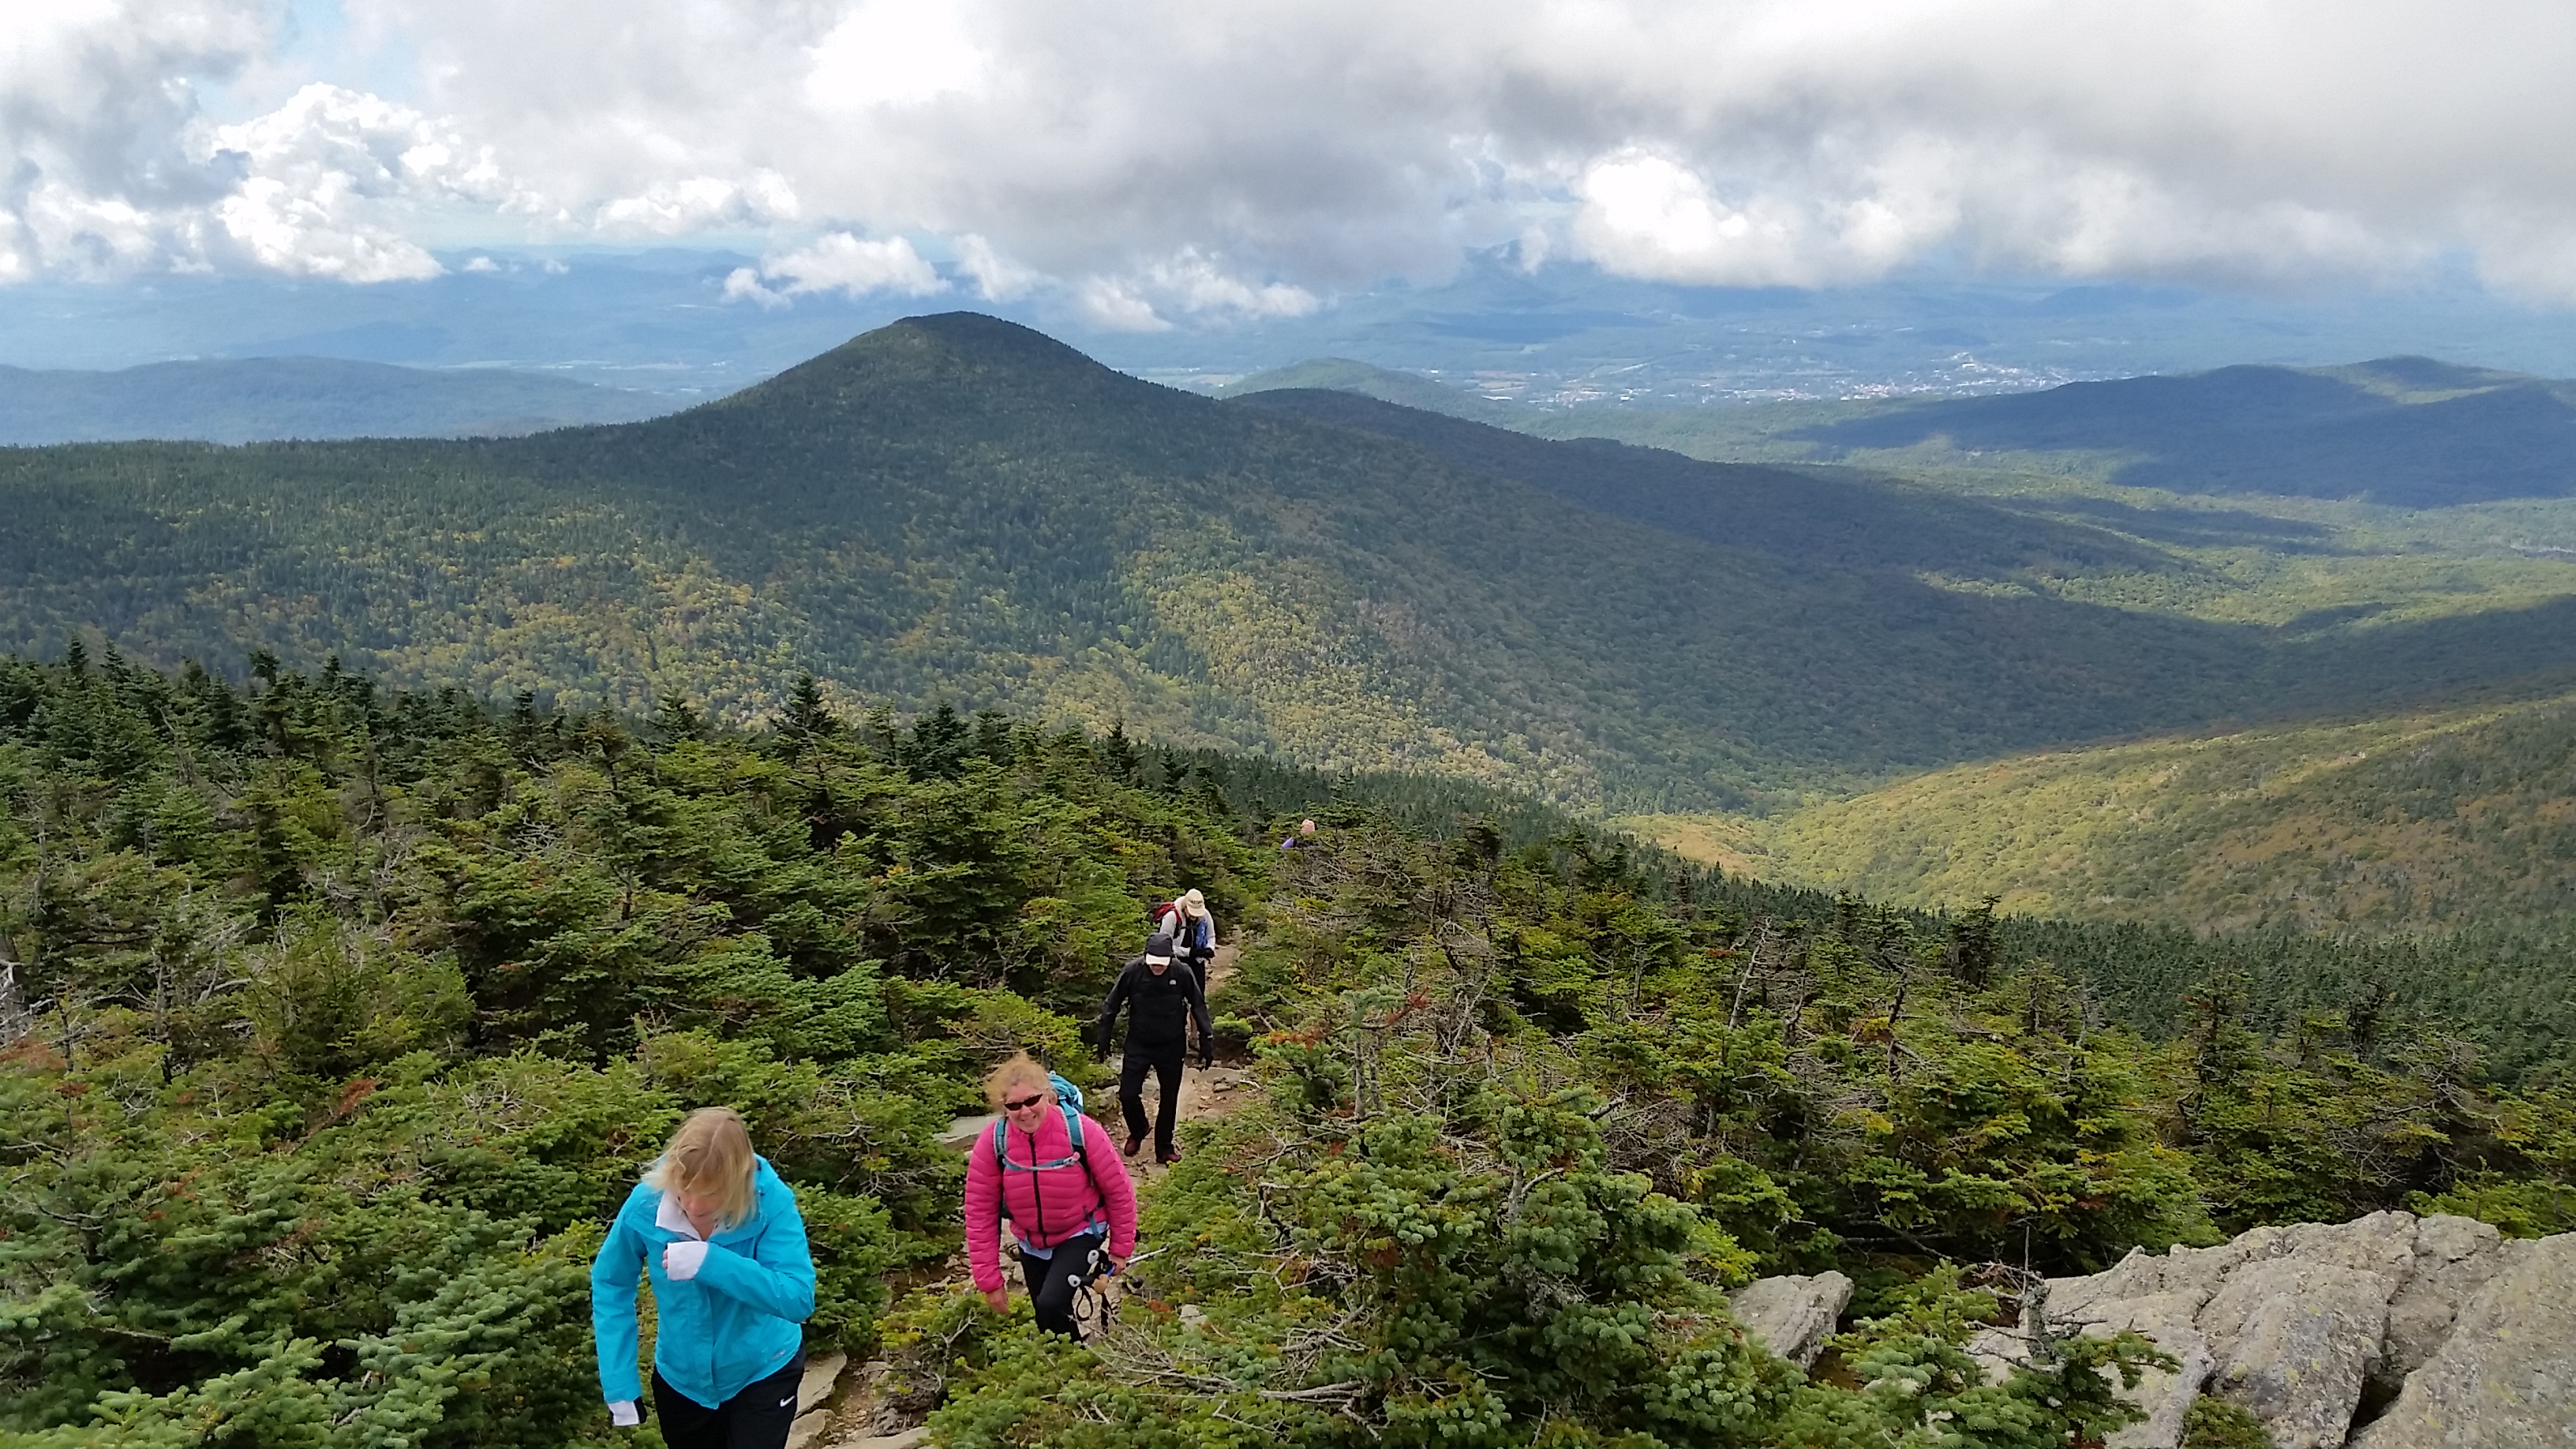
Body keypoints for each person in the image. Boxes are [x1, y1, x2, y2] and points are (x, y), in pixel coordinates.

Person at [592, 1106, 817, 1446]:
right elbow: (611, 1281)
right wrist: (619, 1382)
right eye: (684, 1190)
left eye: (710, 1195)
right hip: (680, 1381)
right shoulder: (646, 1203)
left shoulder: (771, 1203)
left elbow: (798, 1298)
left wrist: (712, 1263)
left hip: (763, 1371)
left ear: (737, 1183)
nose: (694, 1206)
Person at [961, 1053, 1138, 1338]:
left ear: (1047, 1096)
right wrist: (989, 1280)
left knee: (1051, 1303)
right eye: (1014, 1105)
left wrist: (1120, 1250)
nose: (1025, 1111)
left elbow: (1119, 1190)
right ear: (1003, 1107)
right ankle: (1074, 1370)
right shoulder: (993, 1142)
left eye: (1032, 1100)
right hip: (1031, 1242)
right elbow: (980, 1211)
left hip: (1080, 1231)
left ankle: (1081, 1370)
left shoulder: (1081, 1131)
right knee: (1046, 1318)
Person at [1095, 932, 1213, 1164]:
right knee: (1128, 1094)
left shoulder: (1182, 972)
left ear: (1171, 958)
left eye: (1162, 964)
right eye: (1153, 964)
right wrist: (1104, 1037)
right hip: (1139, 1042)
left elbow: (1198, 1004)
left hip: (1171, 1044)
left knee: (1169, 1098)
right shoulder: (1133, 971)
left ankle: (1164, 1147)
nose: (1157, 968)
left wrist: (1207, 1039)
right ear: (1145, 958)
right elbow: (1112, 1004)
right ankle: (1139, 1129)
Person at [1154, 887, 1219, 980]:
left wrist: (1209, 948)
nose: (1195, 915)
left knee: (1198, 991)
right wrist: (1189, 952)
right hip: (1176, 961)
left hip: (1197, 960)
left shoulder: (1205, 914)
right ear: (1185, 906)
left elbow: (1211, 936)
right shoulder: (1171, 917)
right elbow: (1164, 945)